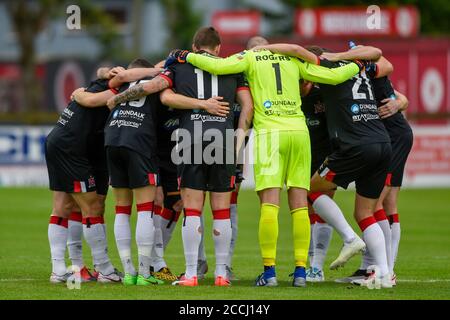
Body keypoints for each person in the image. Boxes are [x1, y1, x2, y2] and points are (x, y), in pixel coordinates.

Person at [167, 37, 362, 287]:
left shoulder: (249, 57)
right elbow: (334, 77)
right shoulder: (292, 60)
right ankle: (302, 271)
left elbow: (218, 67)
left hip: (271, 135)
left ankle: (269, 273)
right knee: (300, 204)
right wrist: (359, 64)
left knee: (270, 205)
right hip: (299, 134)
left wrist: (185, 56)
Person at [45, 67, 128, 283]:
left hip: (81, 146)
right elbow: (91, 101)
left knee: (68, 207)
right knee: (90, 207)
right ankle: (103, 269)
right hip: (71, 148)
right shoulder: (113, 91)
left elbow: (100, 73)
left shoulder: (98, 82)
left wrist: (83, 90)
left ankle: (69, 268)